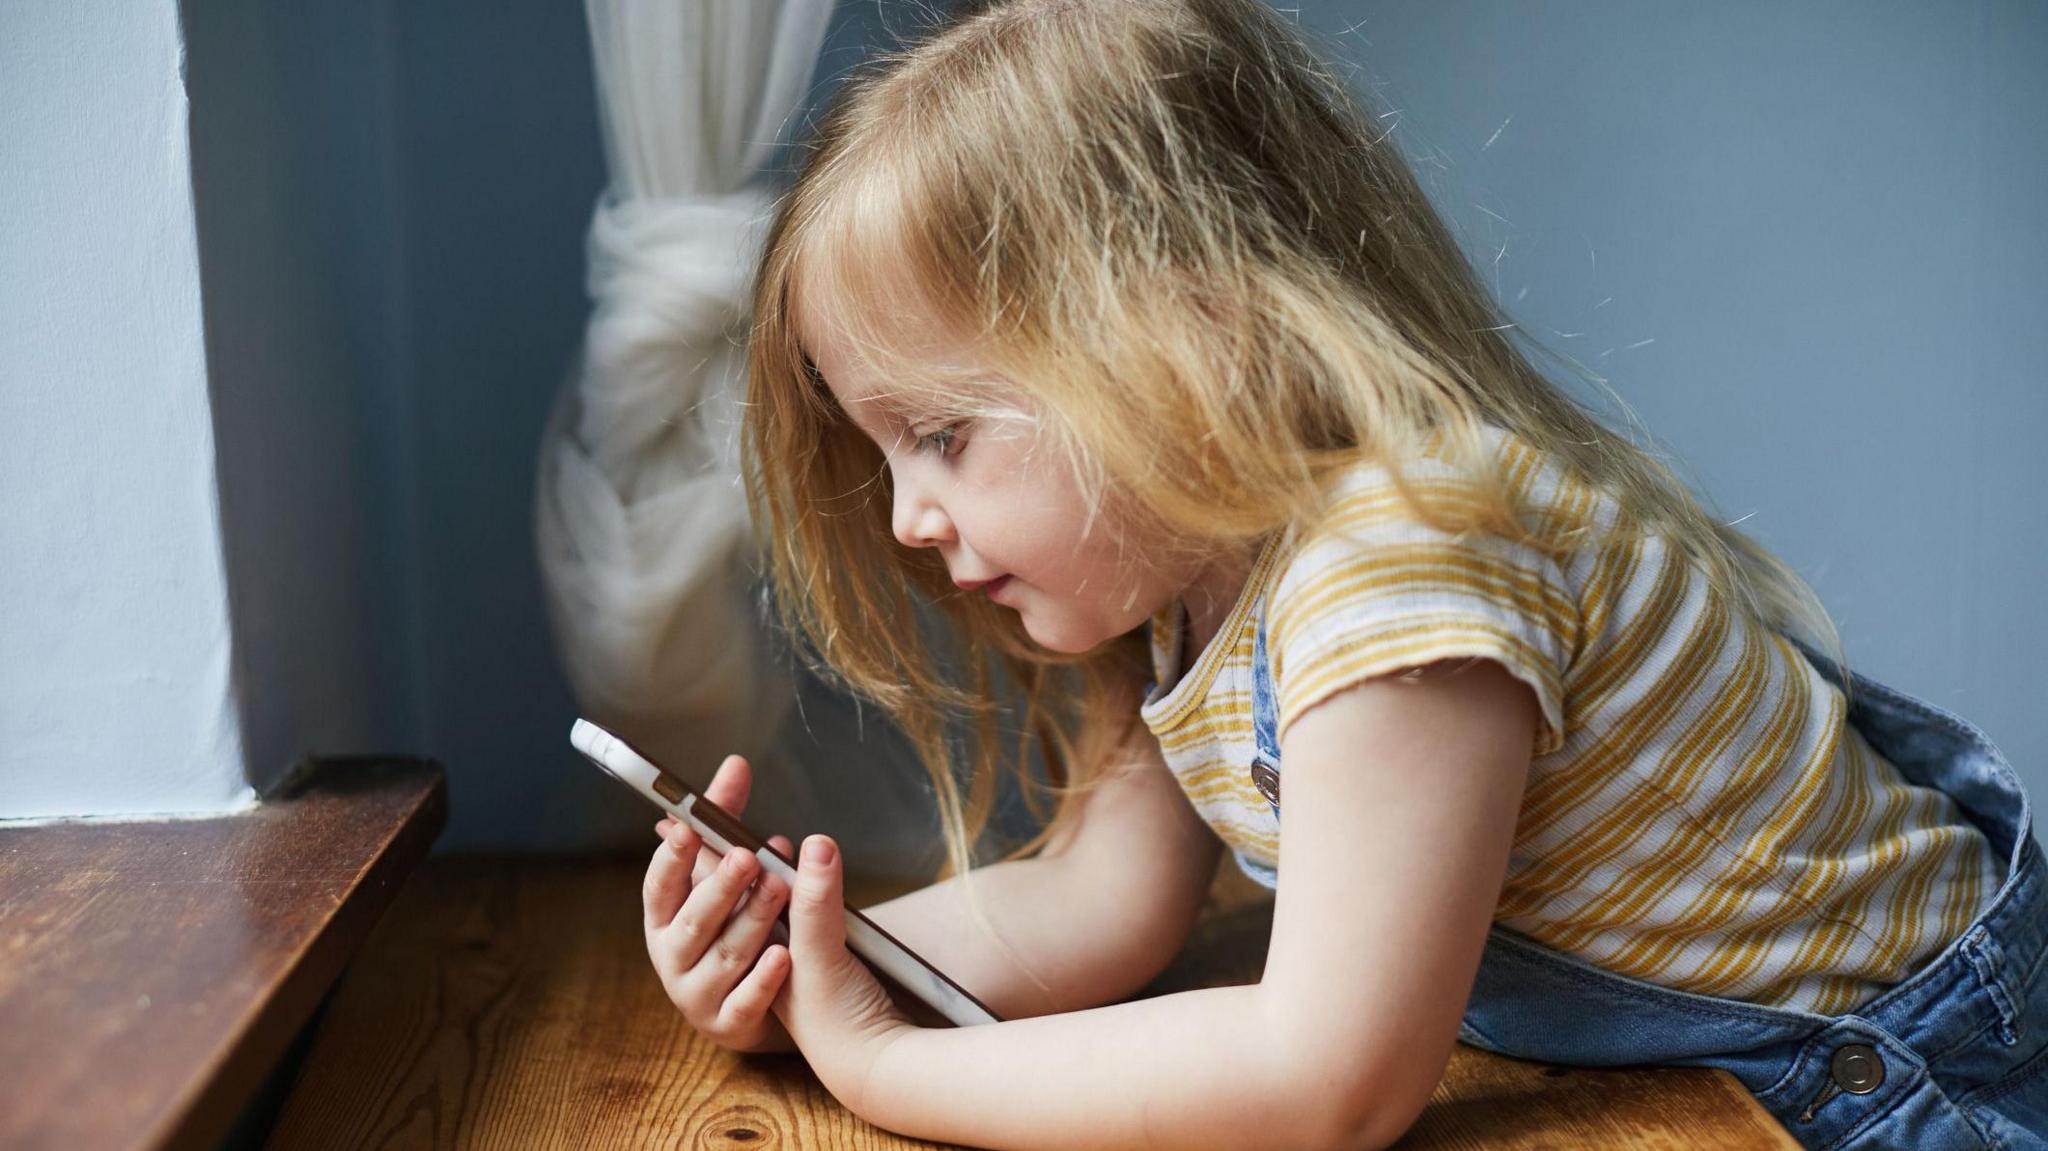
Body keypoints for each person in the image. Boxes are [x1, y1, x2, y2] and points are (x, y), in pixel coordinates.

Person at [637, 1, 2047, 1147]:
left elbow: (1330, 1079)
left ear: (1190, 330)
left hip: (1895, 1084)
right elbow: (1094, 905)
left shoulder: (1398, 561)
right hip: (1712, 1079)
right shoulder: (1188, 583)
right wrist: (814, 958)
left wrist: (884, 1072)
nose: (904, 520)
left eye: (939, 435)